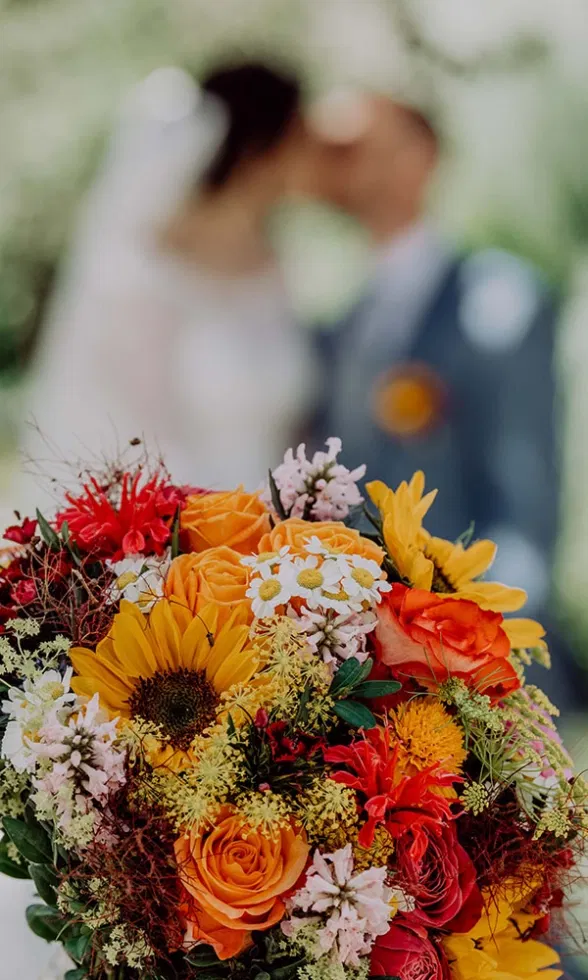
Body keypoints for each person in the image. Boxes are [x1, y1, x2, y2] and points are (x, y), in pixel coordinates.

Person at [309, 94, 584, 708]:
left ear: (424, 154)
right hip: (364, 675)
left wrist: (488, 672)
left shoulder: (501, 302)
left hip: (474, 665)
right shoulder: (337, 324)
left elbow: (523, 511)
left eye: (365, 142)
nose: (350, 162)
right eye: (335, 151)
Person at [18, 60, 315, 509]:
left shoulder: (275, 261)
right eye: (299, 134)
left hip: (286, 546)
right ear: (260, 147)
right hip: (185, 543)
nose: (313, 150)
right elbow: (126, 438)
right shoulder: (139, 270)